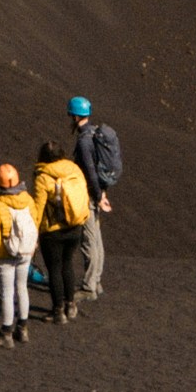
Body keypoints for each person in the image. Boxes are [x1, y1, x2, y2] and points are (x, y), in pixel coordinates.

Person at [32, 140, 92, 325]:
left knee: (55, 269)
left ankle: (58, 311)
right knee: (68, 265)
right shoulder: (74, 170)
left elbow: (38, 209)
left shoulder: (43, 177)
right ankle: (71, 305)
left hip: (53, 232)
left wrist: (34, 234)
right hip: (75, 227)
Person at [69, 92, 121, 299]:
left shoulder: (84, 141)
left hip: (89, 195)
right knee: (96, 239)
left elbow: (90, 170)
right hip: (97, 192)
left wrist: (98, 196)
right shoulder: (94, 134)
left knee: (88, 240)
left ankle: (89, 286)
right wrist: (103, 193)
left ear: (74, 116)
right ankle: (96, 281)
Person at [0, 161, 40, 348]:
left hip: (5, 254)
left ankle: (6, 334)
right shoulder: (29, 199)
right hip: (26, 251)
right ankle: (22, 329)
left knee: (7, 293)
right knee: (22, 288)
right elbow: (35, 222)